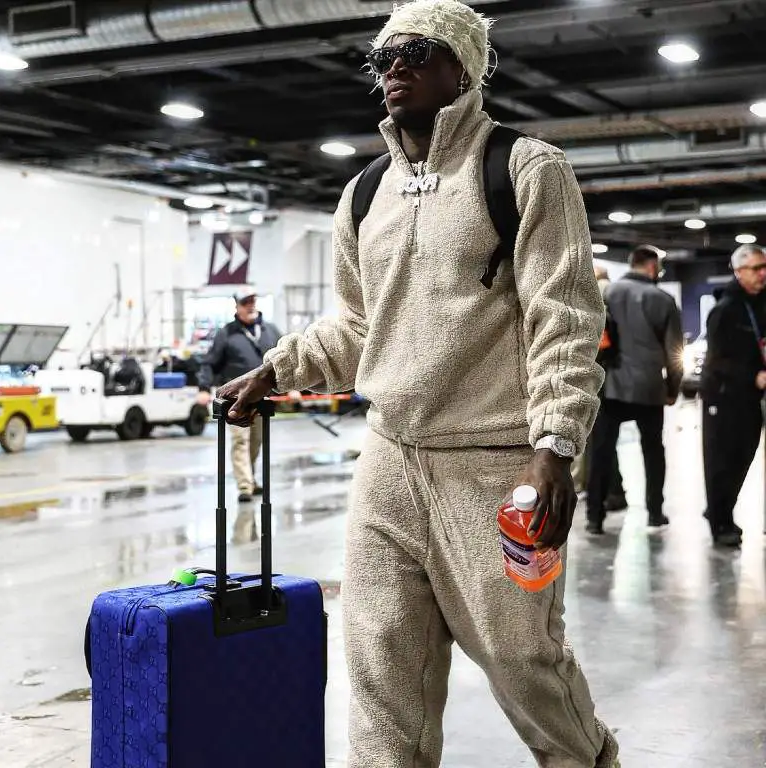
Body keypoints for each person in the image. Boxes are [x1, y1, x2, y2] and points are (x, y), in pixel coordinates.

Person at [218, 2, 619, 766]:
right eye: (382, 58)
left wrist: (555, 445)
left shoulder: (525, 168)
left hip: (496, 463)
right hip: (388, 463)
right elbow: (358, 325)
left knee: (521, 660)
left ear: (463, 68)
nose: (393, 67)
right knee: (378, 664)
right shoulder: (364, 193)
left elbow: (563, 317)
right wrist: (280, 368)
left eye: (415, 51)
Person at [586, 245, 683, 534]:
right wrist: (672, 388)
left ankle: (594, 517)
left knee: (601, 453)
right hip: (650, 389)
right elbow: (674, 351)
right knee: (653, 451)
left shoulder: (607, 294)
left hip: (611, 385)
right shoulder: (663, 299)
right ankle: (654, 513)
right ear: (652, 266)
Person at [701, 244, 766, 547]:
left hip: (750, 398)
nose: (762, 273)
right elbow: (717, 360)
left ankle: (718, 508)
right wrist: (752, 375)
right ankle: (721, 522)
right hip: (723, 397)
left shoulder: (759, 304)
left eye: (764, 267)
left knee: (744, 456)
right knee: (722, 461)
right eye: (755, 268)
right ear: (739, 272)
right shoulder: (725, 310)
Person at [198, 287, 282, 502]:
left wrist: (295, 387)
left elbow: (285, 360)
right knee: (240, 442)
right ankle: (244, 486)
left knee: (256, 442)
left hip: (262, 399)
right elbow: (209, 363)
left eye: (253, 300)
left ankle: (250, 479)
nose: (251, 305)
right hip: (236, 401)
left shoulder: (270, 331)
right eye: (246, 302)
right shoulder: (226, 334)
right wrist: (203, 388)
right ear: (237, 306)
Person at [571, 265, 626, 510]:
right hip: (617, 378)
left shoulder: (595, 301)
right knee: (605, 442)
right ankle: (614, 491)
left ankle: (602, 496)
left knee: (596, 441)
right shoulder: (618, 297)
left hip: (596, 379)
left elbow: (600, 344)